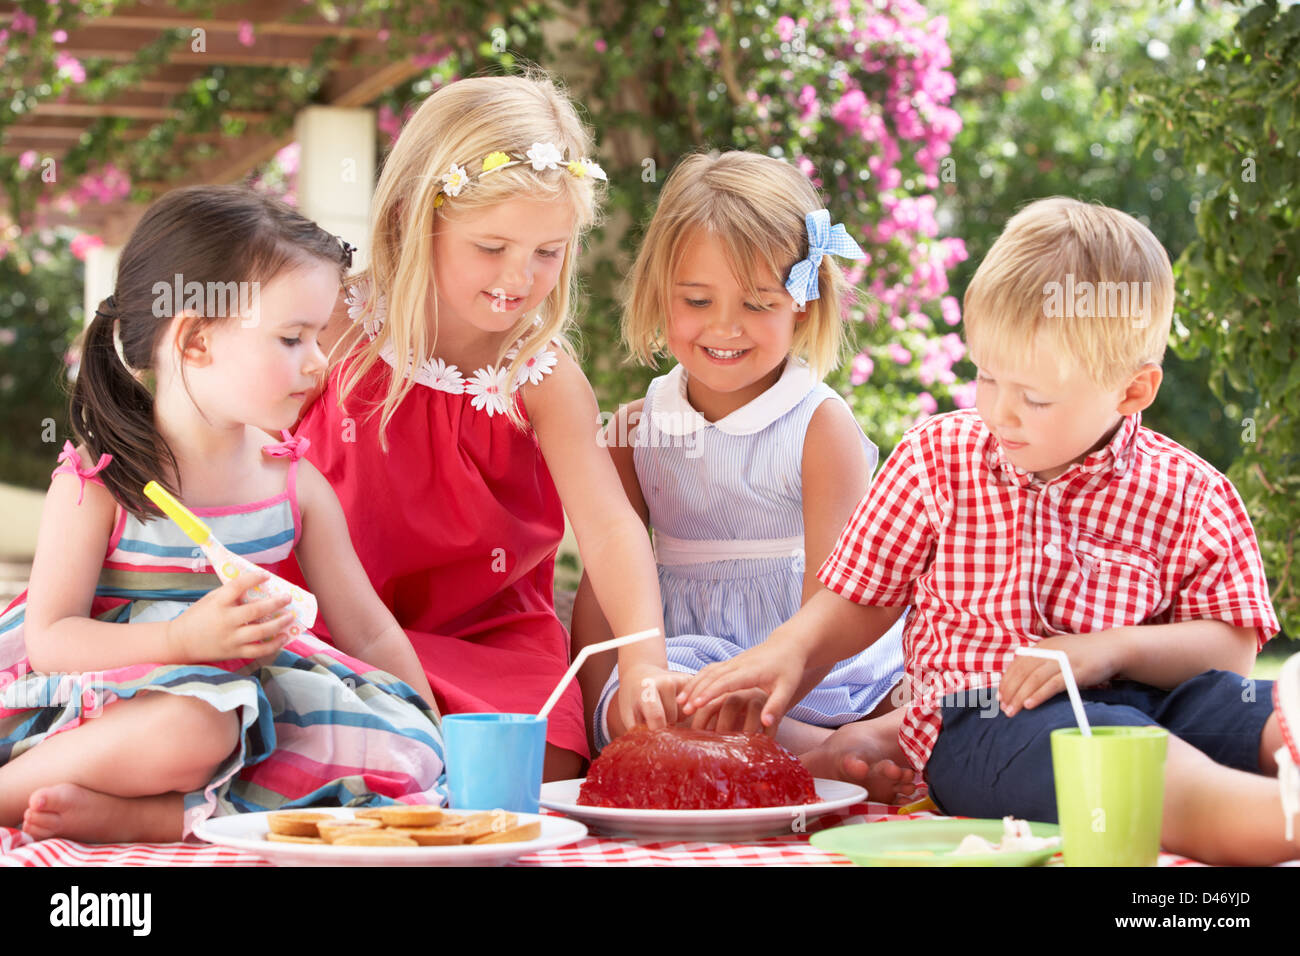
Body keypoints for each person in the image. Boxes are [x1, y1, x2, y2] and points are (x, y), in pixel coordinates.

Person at [678, 197, 1300, 864]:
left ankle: (1270, 777)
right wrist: (786, 655)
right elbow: (858, 601)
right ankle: (1271, 819)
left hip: (1156, 706)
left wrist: (1108, 650)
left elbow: (1230, 655)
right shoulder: (937, 460)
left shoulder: (1192, 492)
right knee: (1105, 755)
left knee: (1257, 705)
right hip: (984, 724)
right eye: (987, 376)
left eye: (1034, 397)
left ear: (1133, 391)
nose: (1000, 412)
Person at [0, 185, 446, 845]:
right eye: (293, 338)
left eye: (318, 336)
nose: (320, 362)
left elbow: (370, 634)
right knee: (200, 724)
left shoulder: (293, 481)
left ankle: (154, 818)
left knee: (390, 750)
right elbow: (53, 638)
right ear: (197, 341)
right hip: (111, 702)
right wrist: (181, 644)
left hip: (251, 694)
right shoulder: (102, 482)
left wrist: (432, 728)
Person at [277, 70, 671, 779]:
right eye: (491, 248)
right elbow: (239, 442)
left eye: (548, 252)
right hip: (333, 624)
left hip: (488, 641)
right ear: (411, 218)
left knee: (536, 766)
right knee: (313, 738)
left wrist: (644, 661)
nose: (518, 278)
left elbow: (611, 529)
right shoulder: (332, 326)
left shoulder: (543, 380)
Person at [569, 150, 909, 797]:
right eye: (698, 299)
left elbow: (834, 603)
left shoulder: (818, 426)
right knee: (661, 712)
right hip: (682, 657)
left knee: (871, 699)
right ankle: (811, 761)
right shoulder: (636, 429)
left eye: (757, 303)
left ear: (801, 306)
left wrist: (762, 700)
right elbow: (601, 588)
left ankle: (811, 749)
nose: (725, 327)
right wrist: (601, 710)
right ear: (659, 294)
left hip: (809, 668)